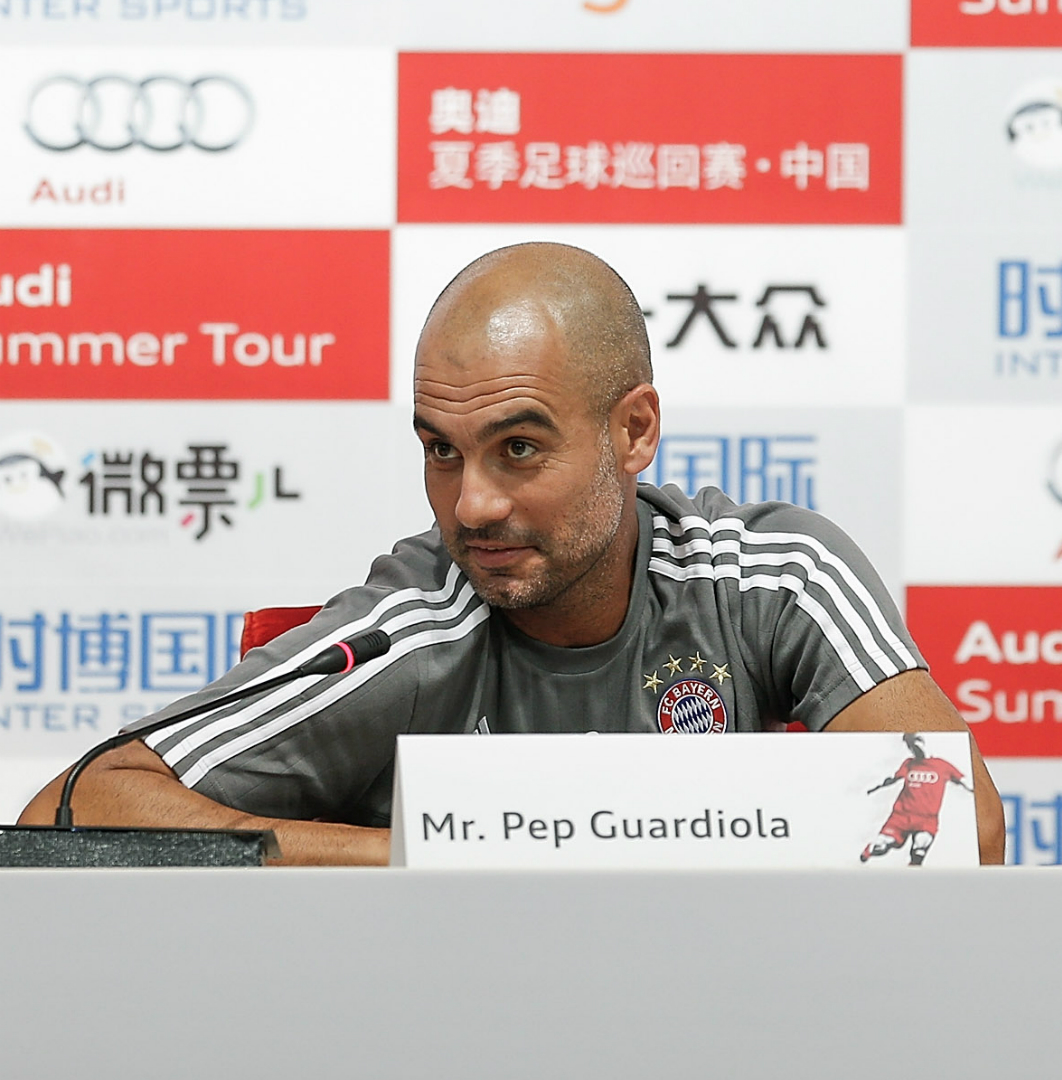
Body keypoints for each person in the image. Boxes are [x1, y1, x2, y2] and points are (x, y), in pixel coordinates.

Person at [18, 243, 1006, 866]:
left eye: (520, 449)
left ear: (633, 430)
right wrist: (422, 859)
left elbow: (962, 826)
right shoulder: (407, 630)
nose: (473, 505)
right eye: (441, 451)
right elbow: (71, 810)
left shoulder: (768, 575)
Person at [860, 732, 970, 866]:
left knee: (919, 849)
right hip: (901, 816)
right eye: (910, 746)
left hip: (926, 819)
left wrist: (975, 789)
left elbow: (963, 780)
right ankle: (870, 849)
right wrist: (874, 787)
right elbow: (893, 778)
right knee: (882, 845)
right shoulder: (909, 764)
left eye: (915, 743)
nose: (913, 748)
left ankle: (912, 871)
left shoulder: (942, 765)